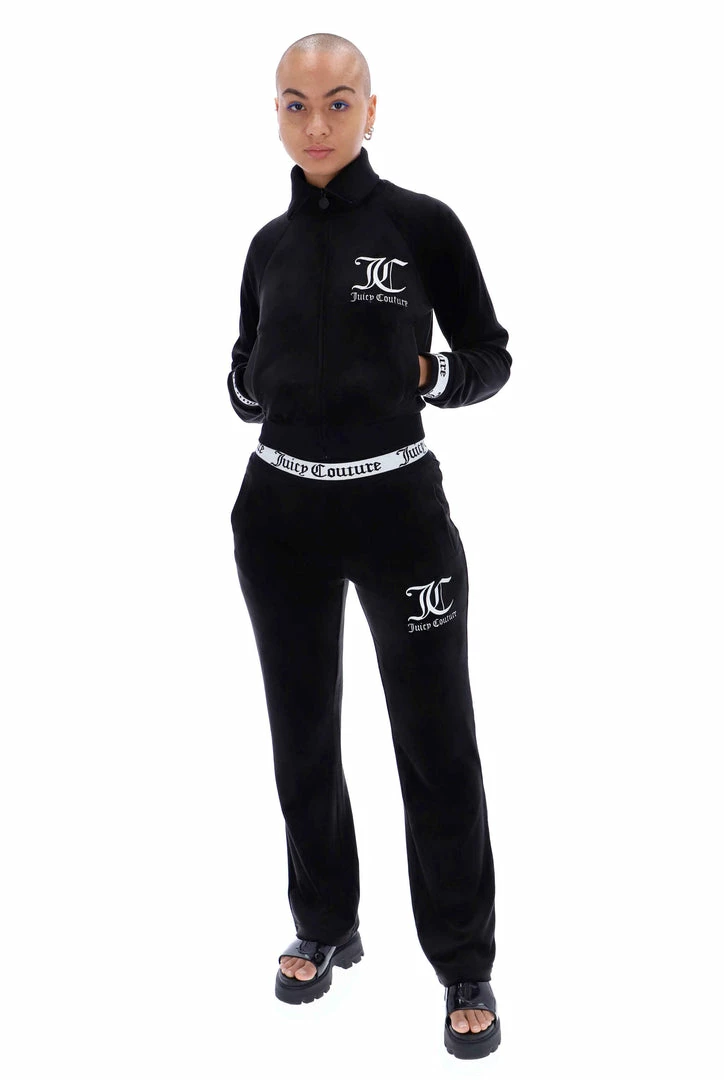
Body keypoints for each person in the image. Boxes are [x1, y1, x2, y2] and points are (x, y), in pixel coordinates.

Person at [227, 32, 512, 1061]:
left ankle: (464, 962)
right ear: (276, 113)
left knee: (435, 743)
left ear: (371, 111)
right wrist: (245, 384)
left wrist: (433, 376)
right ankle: (324, 924)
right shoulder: (266, 244)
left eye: (338, 102)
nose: (316, 124)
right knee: (301, 732)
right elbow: (242, 368)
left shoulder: (422, 226)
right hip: (279, 518)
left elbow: (490, 358)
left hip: (399, 517)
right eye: (295, 105)